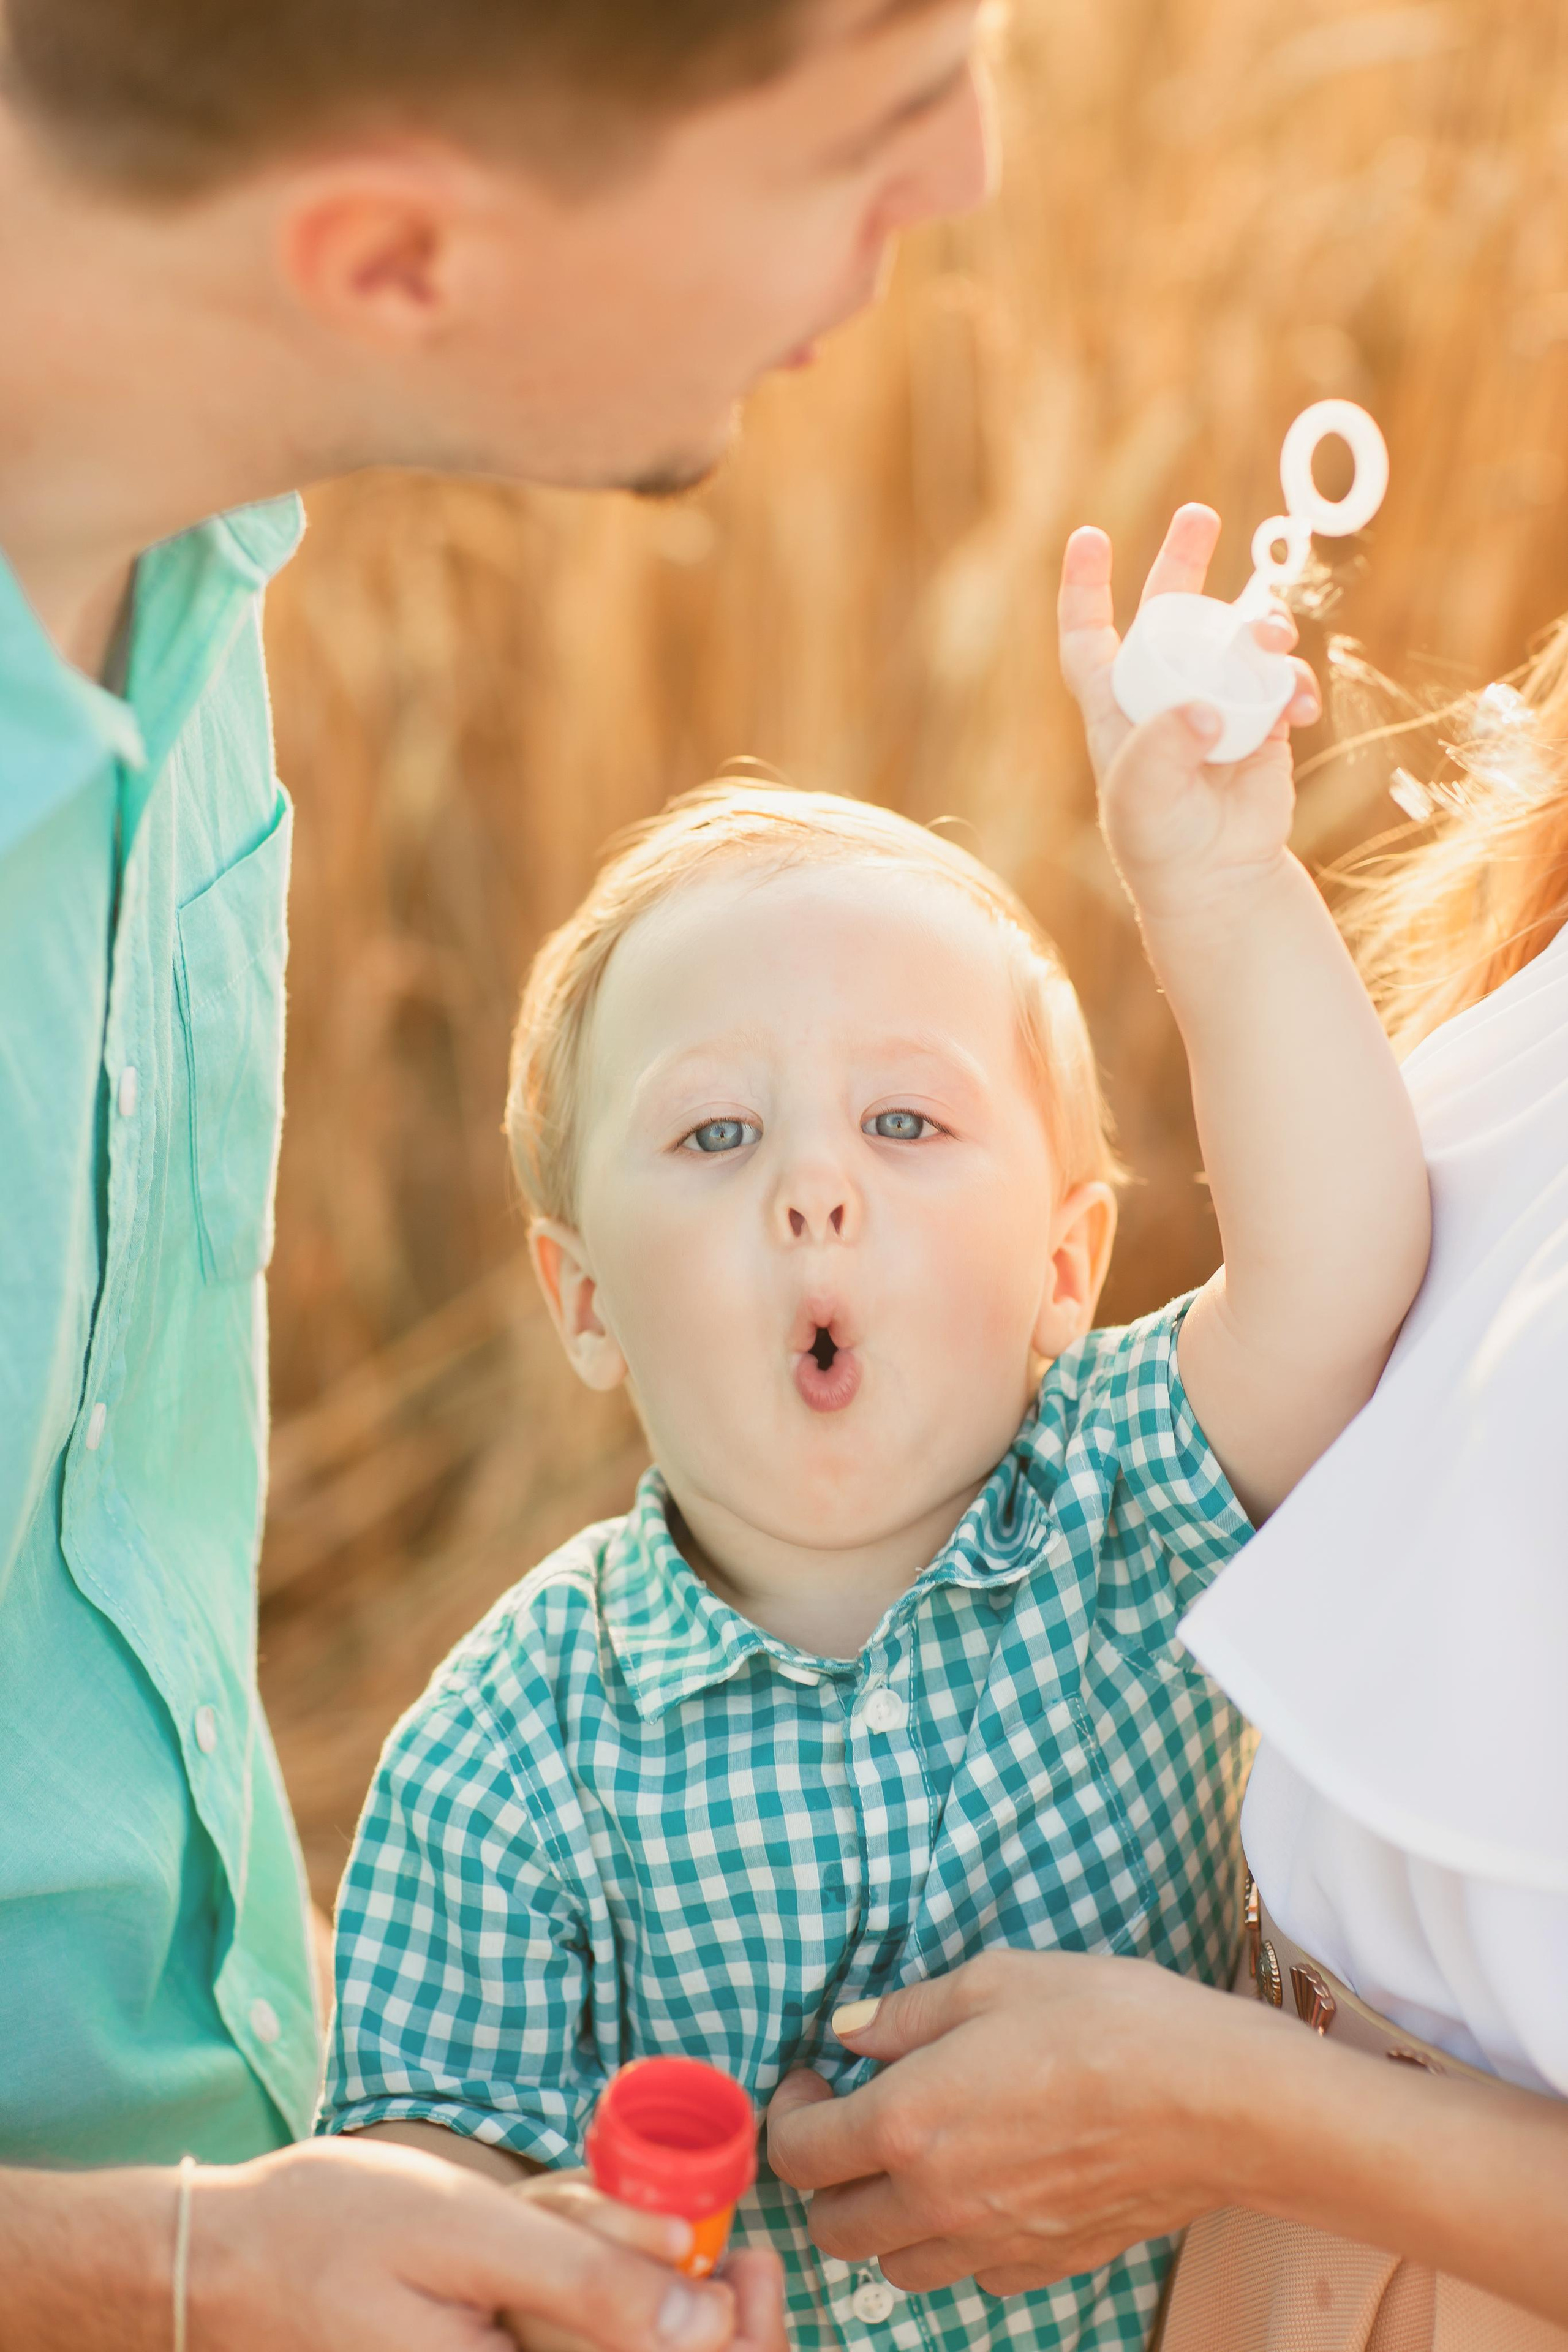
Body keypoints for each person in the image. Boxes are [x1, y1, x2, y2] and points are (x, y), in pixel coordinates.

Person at [0, 0, 996, 2341]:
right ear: (392, 258)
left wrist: (286, 2223)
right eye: (871, 113)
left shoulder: (169, 541)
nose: (964, 173)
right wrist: (163, 2276)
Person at [317, 501, 1430, 2352]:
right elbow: (418, 2174)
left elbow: (1341, 1273)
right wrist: (537, 2252)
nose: (816, 1188)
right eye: (717, 1135)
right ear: (583, 1299)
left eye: (904, 1127)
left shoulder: (1124, 1492)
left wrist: (1219, 893)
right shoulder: (513, 1752)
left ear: (1067, 1264)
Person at [763, 520, 1568, 2344]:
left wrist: (1220, 2109)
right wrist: (1218, 894)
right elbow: (1356, 1289)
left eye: (904, 1129)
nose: (817, 1196)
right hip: (1289, 2243)